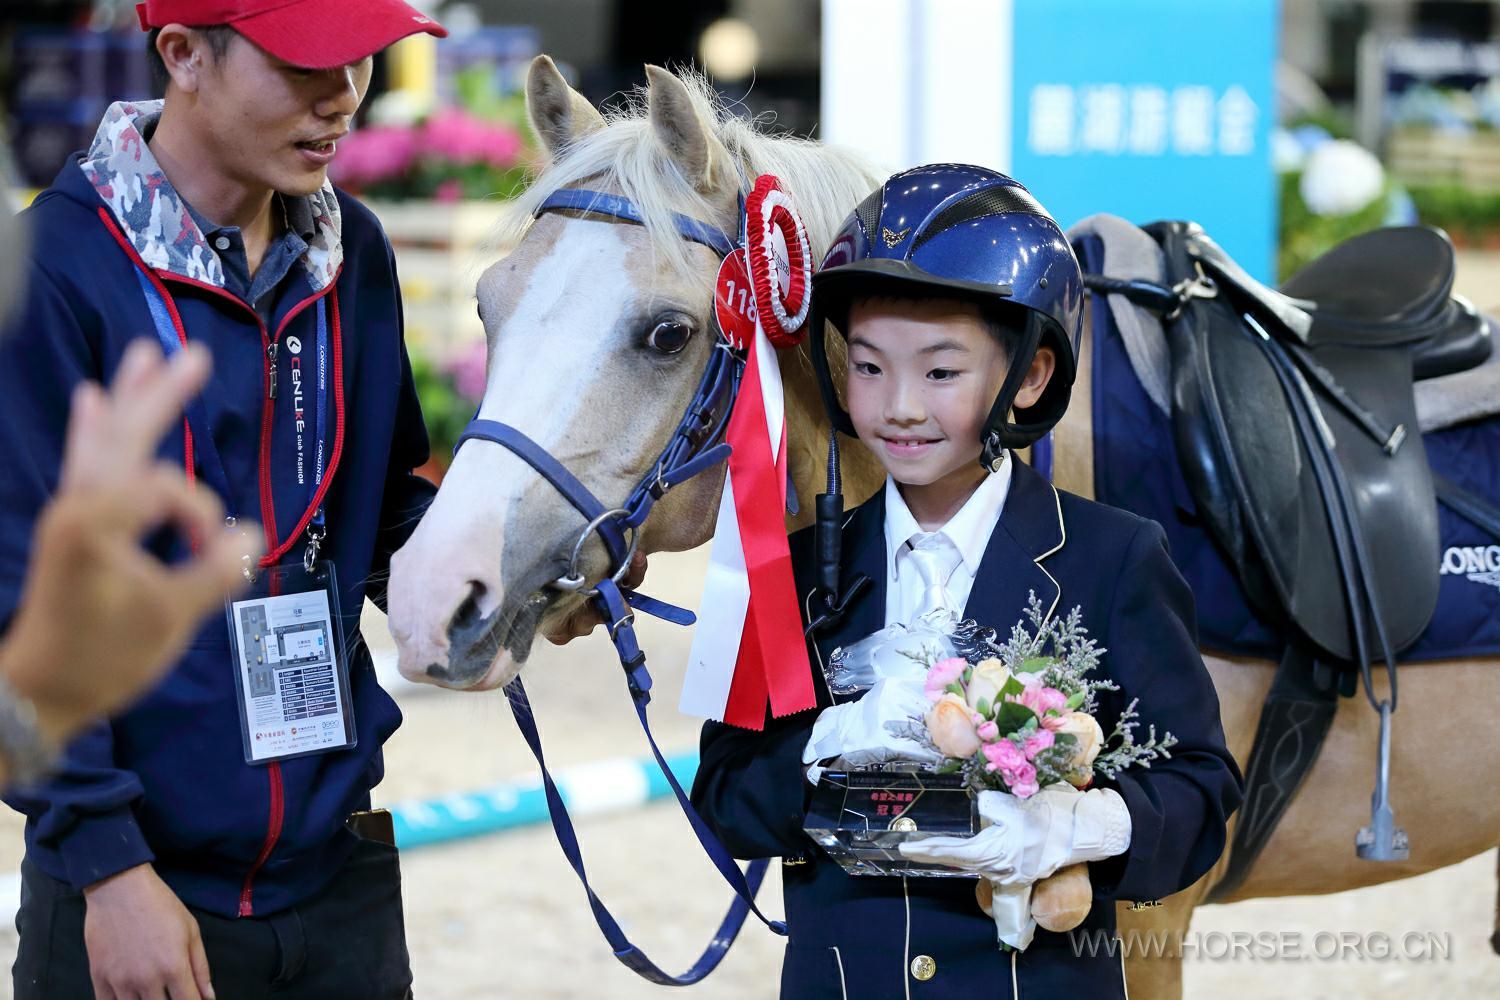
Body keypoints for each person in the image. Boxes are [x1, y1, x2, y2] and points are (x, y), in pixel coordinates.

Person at [689, 164, 1244, 998]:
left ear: (1029, 375)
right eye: (870, 368)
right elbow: (726, 797)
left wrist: (1082, 825)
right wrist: (825, 745)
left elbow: (1201, 787)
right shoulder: (796, 572)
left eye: (941, 372)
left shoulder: (1114, 556)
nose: (900, 407)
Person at [0, 2, 447, 997]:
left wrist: (524, 570)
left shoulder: (354, 252)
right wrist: (108, 867)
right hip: (135, 892)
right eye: (307, 64)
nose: (343, 100)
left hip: (342, 881)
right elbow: (15, 602)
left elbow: (380, 516)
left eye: (363, 62)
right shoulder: (53, 275)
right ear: (184, 54)